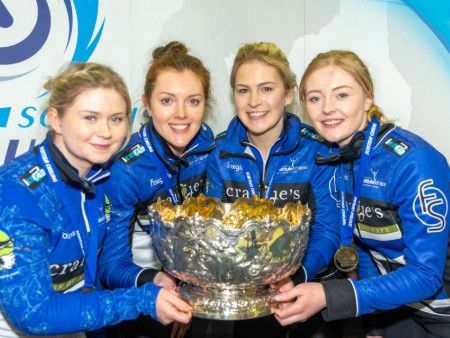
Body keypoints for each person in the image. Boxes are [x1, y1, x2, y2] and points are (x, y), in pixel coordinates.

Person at [0, 62, 192, 338]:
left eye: (116, 118)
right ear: (56, 119)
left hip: (78, 327)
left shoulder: (99, 176)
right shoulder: (17, 192)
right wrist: (142, 300)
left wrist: (154, 281)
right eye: (90, 117)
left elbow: (101, 269)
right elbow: (34, 313)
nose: (105, 131)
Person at [273, 50, 450, 338]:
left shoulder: (413, 161)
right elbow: (366, 248)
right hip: (400, 309)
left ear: (367, 98)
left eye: (341, 95)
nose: (327, 108)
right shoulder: (341, 157)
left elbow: (427, 275)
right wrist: (374, 324)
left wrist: (330, 295)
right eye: (315, 98)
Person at [206, 42, 341, 338]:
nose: (254, 101)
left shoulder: (318, 149)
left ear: (288, 94)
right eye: (243, 90)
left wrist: (297, 275)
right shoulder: (218, 153)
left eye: (266, 89)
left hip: (309, 289)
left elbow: (328, 230)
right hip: (245, 298)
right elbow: (213, 232)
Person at [101, 41, 215, 338]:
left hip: (193, 291)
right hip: (138, 297)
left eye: (193, 101)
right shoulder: (127, 168)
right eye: (167, 101)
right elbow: (110, 266)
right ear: (147, 104)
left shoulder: (207, 143)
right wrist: (157, 280)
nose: (181, 114)